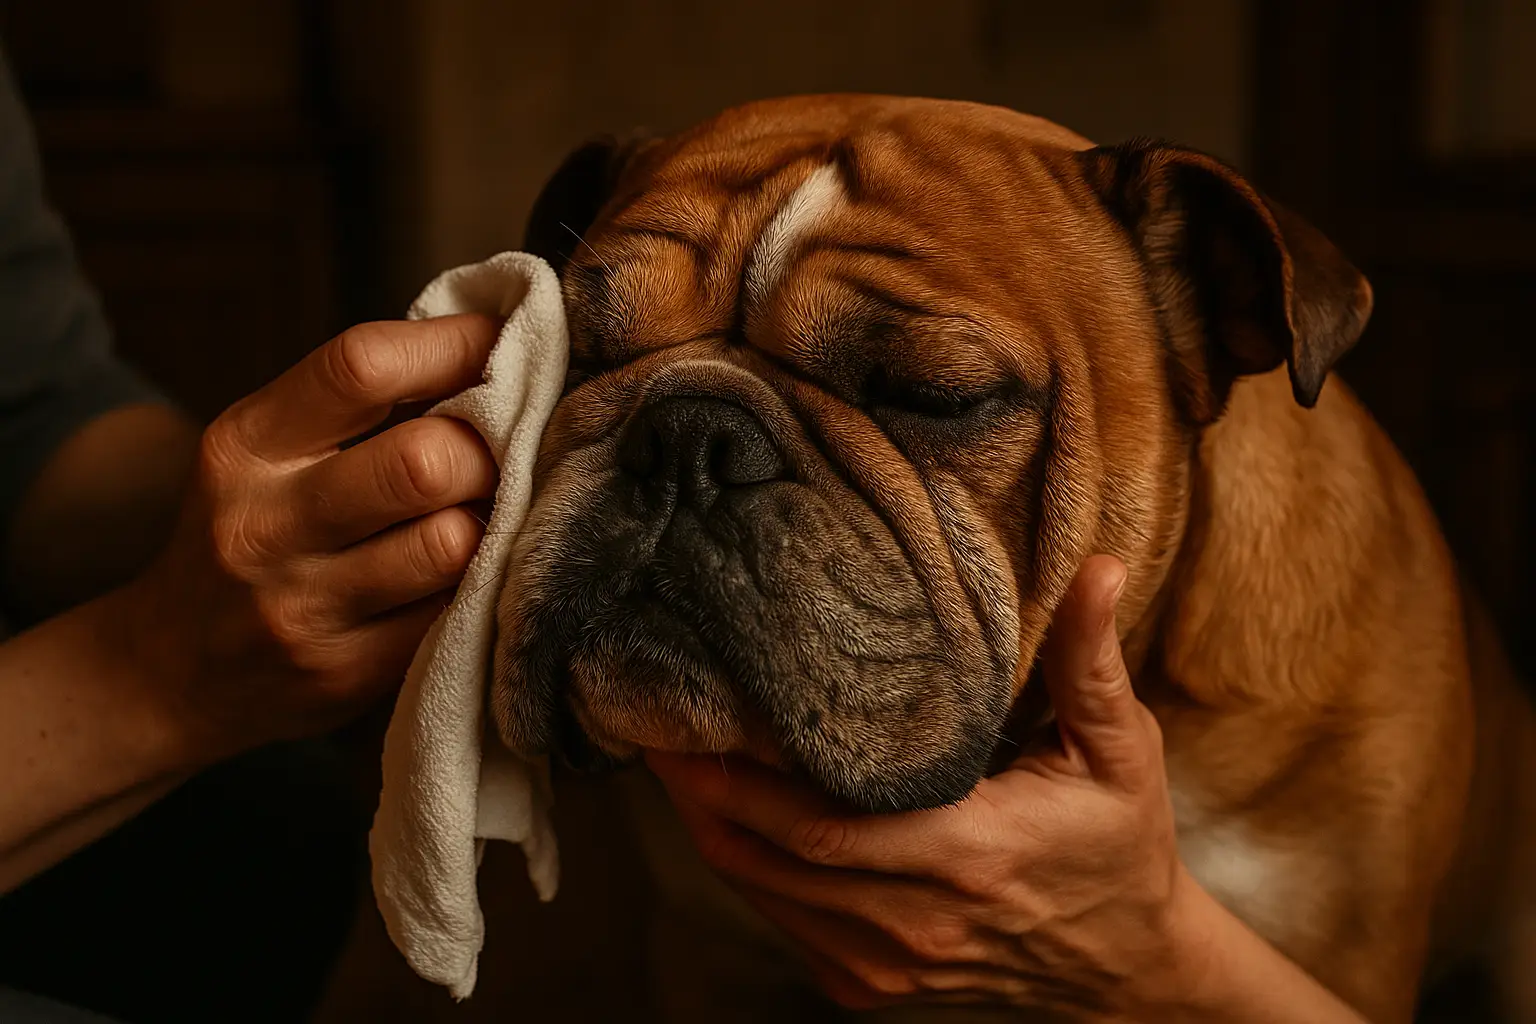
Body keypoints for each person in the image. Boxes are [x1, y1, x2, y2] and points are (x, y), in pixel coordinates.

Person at [0, 40, 1367, 1024]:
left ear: (1223, 333)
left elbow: (40, 427)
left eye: (931, 393)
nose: (689, 476)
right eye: (603, 362)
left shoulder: (1343, 718)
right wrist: (165, 664)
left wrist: (307, 524)